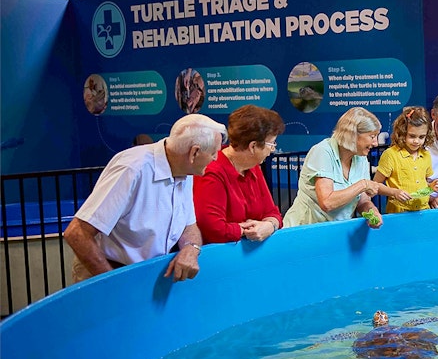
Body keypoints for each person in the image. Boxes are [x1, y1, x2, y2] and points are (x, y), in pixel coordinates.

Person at [64, 113, 227, 283]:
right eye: (214, 153)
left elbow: (189, 226)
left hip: (145, 274)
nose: (215, 159)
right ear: (194, 152)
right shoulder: (132, 169)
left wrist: (191, 249)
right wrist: (112, 283)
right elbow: (77, 233)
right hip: (108, 271)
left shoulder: (186, 171)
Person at [193, 105, 285, 244]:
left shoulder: (253, 167)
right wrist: (247, 231)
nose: (272, 150)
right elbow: (213, 229)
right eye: (271, 144)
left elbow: (272, 212)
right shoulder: (211, 172)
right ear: (253, 146)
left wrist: (270, 225)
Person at [283, 107, 384, 228]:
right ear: (353, 135)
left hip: (335, 231)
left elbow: (362, 201)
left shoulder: (360, 157)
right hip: (305, 229)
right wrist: (363, 185)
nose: (376, 143)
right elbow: (327, 203)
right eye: (372, 136)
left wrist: (372, 211)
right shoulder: (323, 151)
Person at [374, 106, 438, 213]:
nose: (416, 141)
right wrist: (394, 192)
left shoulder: (426, 155)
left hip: (423, 211)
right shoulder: (391, 154)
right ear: (402, 133)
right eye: (412, 136)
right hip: (399, 213)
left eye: (421, 137)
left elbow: (422, 184)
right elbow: (375, 185)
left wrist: (431, 187)